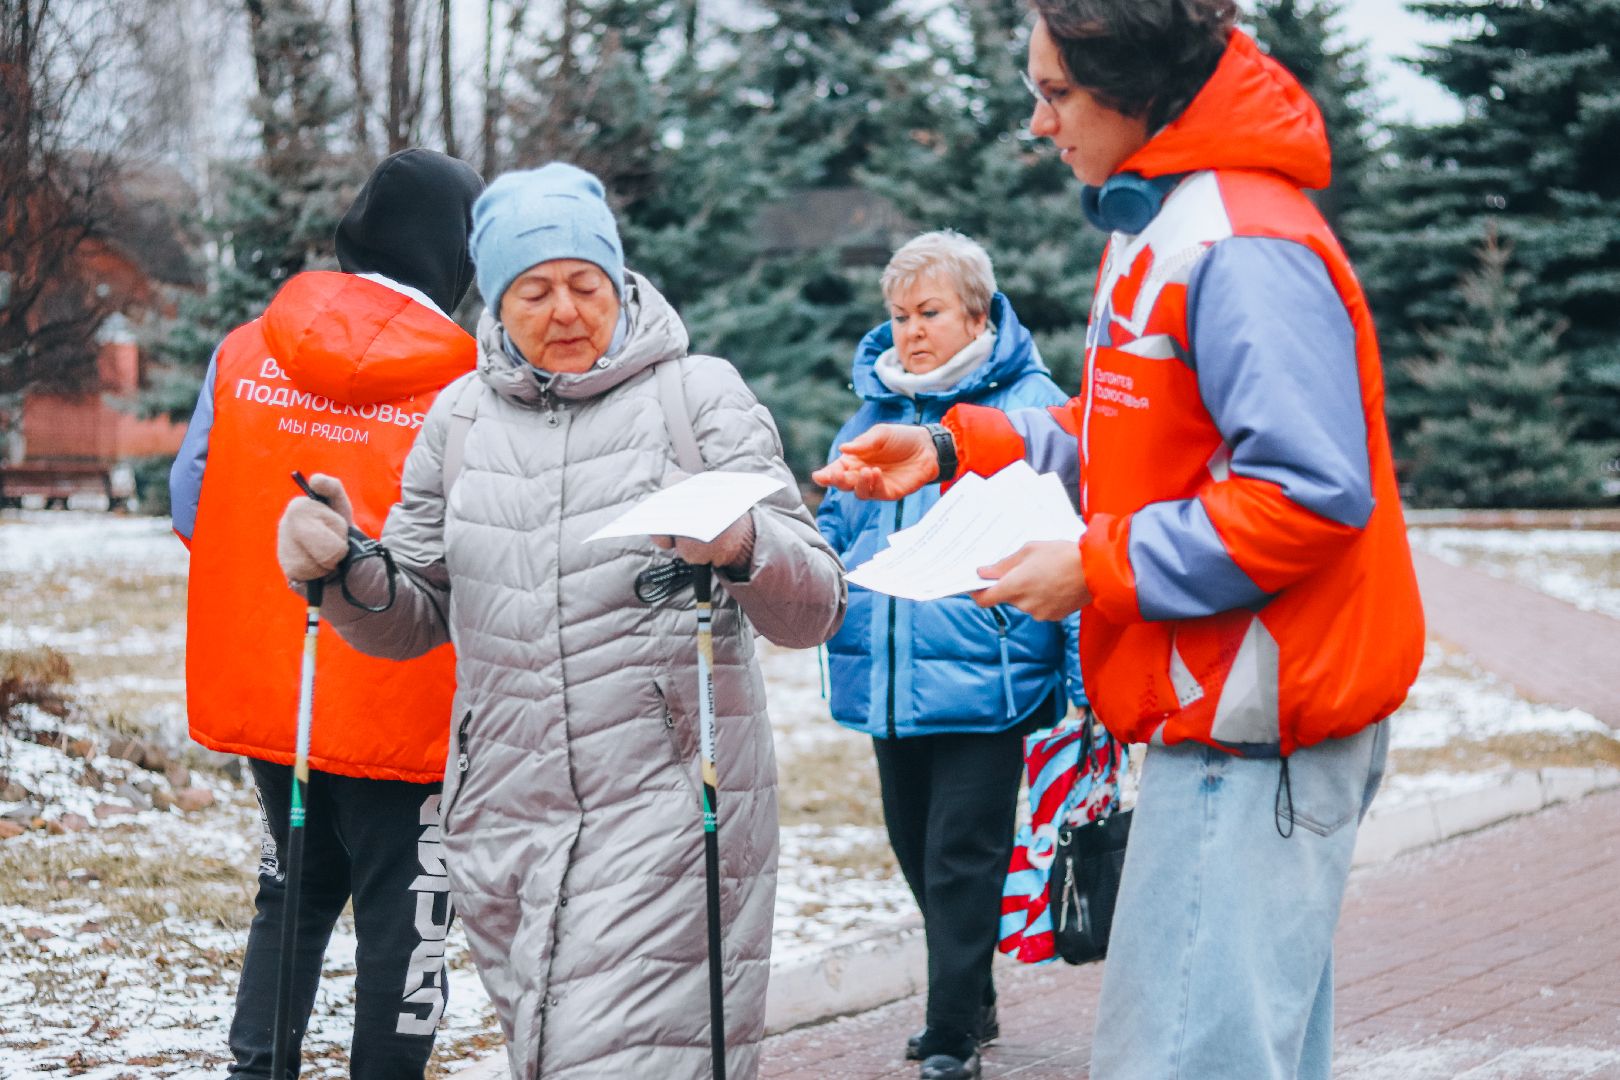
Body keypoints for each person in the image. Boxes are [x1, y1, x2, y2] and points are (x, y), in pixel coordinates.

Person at [813, 3, 1426, 1078]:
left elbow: (1312, 494)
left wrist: (1095, 568)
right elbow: (1123, 431)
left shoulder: (1238, 244)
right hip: (1222, 721)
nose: (1039, 123)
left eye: (1056, 93)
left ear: (1134, 86)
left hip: (1259, 728)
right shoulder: (1162, 225)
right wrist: (957, 447)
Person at [274, 162, 846, 1080]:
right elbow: (417, 614)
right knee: (551, 1054)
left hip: (664, 802)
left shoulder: (695, 398)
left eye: (586, 284)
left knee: (610, 1060)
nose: (566, 310)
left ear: (619, 282)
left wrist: (740, 542)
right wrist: (344, 569)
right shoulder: (459, 421)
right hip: (505, 816)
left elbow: (815, 601)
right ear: (496, 302)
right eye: (533, 290)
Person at [169, 148, 485, 1077]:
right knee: (406, 924)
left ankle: (254, 1067)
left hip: (277, 690)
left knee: (290, 893)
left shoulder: (244, 352)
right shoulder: (464, 388)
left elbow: (192, 505)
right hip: (408, 700)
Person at [816, 230, 1111, 1080]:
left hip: (991, 671)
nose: (911, 331)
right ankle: (971, 994)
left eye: (930, 312)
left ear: (978, 315)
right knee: (913, 845)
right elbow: (842, 533)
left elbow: (1068, 527)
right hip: (890, 675)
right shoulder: (873, 412)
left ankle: (950, 1030)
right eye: (900, 315)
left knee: (961, 853)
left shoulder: (1031, 404)